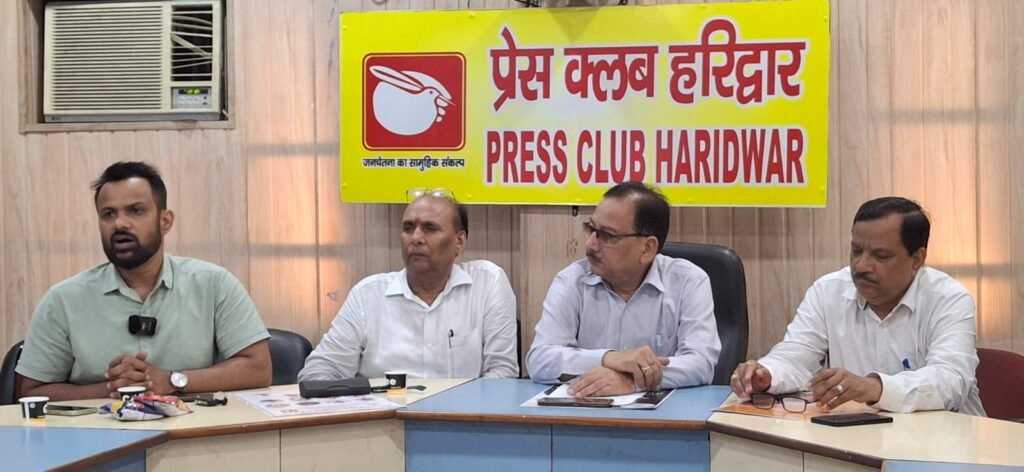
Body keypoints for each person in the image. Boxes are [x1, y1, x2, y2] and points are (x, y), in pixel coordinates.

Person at [16, 161, 272, 401]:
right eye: (108, 214)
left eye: (136, 211)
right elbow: (30, 391)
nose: (120, 224)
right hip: (99, 431)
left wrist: (171, 380)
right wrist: (112, 389)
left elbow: (258, 369)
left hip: (192, 430)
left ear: (165, 221)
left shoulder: (214, 284)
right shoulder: (64, 299)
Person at [731, 197, 985, 416]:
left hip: (945, 443)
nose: (861, 266)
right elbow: (795, 357)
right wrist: (767, 374)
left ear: (917, 259)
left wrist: (875, 388)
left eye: (880, 256)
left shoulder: (948, 299)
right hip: (858, 438)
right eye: (856, 251)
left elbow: (951, 381)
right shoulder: (828, 291)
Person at [298, 189, 518, 381]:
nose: (416, 238)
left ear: (459, 242)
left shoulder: (487, 283)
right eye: (408, 228)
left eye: (430, 228)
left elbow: (502, 373)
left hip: (460, 414)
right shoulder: (368, 295)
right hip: (383, 414)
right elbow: (319, 370)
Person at [526, 182, 721, 397]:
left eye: (608, 236)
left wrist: (632, 380)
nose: (590, 245)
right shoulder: (571, 281)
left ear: (647, 248)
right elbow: (539, 359)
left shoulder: (688, 282)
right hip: (585, 411)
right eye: (591, 229)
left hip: (665, 414)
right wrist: (608, 358)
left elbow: (701, 363)